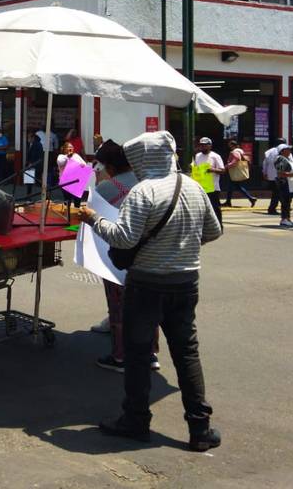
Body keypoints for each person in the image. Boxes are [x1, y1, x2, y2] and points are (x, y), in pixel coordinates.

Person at [75, 130, 223, 452]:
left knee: (138, 354)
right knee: (186, 353)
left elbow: (124, 238)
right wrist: (181, 248)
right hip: (185, 283)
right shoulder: (194, 187)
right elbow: (214, 231)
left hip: (146, 285)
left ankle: (135, 420)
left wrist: (93, 219)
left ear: (144, 159)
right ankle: (200, 428)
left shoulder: (143, 192)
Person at [91, 140, 162, 374]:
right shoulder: (147, 182)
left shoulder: (106, 188)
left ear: (109, 166)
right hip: (150, 256)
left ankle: (121, 356)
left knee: (119, 306)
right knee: (147, 307)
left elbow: (95, 219)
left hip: (120, 256)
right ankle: (150, 354)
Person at [193, 137, 226, 227]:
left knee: (215, 208)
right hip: (200, 187)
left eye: (205, 145)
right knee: (201, 208)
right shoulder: (197, 156)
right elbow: (196, 168)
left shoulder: (215, 156)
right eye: (201, 145)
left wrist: (213, 170)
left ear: (210, 146)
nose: (203, 147)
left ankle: (219, 225)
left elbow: (223, 170)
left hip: (213, 187)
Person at [223, 140, 257, 208]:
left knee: (235, 186)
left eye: (230, 145)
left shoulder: (235, 151)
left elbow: (236, 160)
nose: (229, 146)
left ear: (232, 145)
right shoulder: (240, 151)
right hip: (236, 171)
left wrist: (226, 166)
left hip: (234, 171)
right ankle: (228, 201)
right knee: (233, 187)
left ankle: (251, 198)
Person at [274, 143, 293, 229]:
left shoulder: (288, 158)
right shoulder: (280, 159)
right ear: (282, 151)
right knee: (285, 202)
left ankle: (288, 219)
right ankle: (284, 219)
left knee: (288, 202)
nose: (289, 151)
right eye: (287, 149)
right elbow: (280, 174)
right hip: (284, 183)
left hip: (290, 184)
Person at [262, 139, 285, 215]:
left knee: (277, 192)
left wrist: (264, 173)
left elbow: (265, 163)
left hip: (271, 175)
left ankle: (279, 207)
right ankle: (272, 208)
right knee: (278, 193)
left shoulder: (269, 151)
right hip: (279, 175)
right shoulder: (282, 151)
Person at [24, 130, 44, 197]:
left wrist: (32, 163)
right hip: (30, 165)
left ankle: (45, 194)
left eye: (29, 137)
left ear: (33, 138)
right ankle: (28, 195)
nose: (28, 139)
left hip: (36, 165)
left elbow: (38, 156)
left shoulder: (38, 144)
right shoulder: (30, 144)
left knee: (38, 181)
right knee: (29, 182)